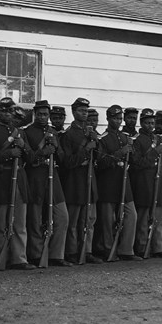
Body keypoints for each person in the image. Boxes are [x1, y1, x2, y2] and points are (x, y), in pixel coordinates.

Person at [0, 97, 35, 270]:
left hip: (19, 180)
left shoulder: (20, 133)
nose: (7, 114)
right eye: (4, 111)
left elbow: (31, 158)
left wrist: (23, 146)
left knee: (19, 223)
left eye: (10, 111)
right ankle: (0, 258)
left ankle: (19, 258)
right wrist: (9, 154)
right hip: (1, 180)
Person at [23, 100, 72, 267]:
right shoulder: (27, 132)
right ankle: (36, 254)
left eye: (46, 114)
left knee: (62, 216)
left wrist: (56, 147)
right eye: (40, 114)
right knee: (35, 218)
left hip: (53, 176)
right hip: (35, 177)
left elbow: (63, 159)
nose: (43, 117)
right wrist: (43, 150)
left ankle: (56, 254)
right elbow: (28, 158)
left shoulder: (53, 132)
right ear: (35, 114)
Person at [94, 105, 141, 261]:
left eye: (120, 118)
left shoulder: (125, 137)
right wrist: (119, 153)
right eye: (115, 118)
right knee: (108, 219)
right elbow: (100, 163)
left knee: (131, 215)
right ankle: (107, 248)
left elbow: (134, 161)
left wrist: (131, 150)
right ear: (108, 119)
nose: (118, 121)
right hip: (108, 182)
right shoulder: (103, 138)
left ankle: (126, 249)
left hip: (123, 181)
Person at [60, 97, 102, 264]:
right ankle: (71, 252)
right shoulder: (68, 134)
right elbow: (68, 162)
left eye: (86, 111)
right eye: (80, 111)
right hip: (75, 183)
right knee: (73, 222)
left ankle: (87, 250)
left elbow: (99, 158)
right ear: (73, 112)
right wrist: (86, 150)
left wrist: (95, 143)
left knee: (89, 221)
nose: (84, 114)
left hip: (89, 182)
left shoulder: (90, 133)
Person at [129, 108, 162, 258]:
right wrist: (155, 151)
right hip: (144, 182)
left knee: (160, 217)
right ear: (141, 123)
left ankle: (159, 247)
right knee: (143, 219)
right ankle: (141, 247)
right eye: (147, 122)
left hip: (158, 181)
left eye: (152, 123)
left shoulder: (157, 138)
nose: (150, 125)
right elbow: (138, 162)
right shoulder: (137, 140)